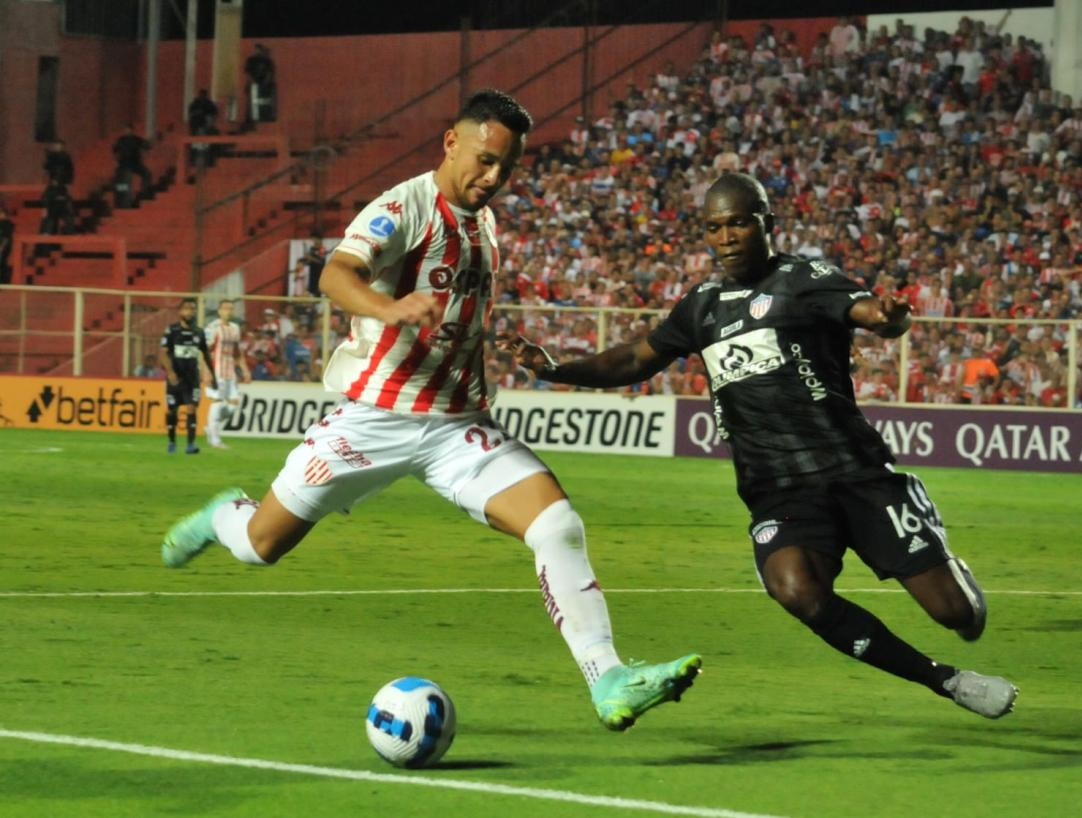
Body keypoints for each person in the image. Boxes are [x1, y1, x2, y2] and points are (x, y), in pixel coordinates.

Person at [160, 89, 701, 731]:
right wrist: (388, 309)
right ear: (451, 142)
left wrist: (514, 350)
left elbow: (457, 313)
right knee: (260, 546)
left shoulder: (484, 221)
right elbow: (336, 274)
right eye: (484, 159)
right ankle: (226, 513)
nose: (494, 177)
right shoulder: (404, 206)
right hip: (374, 420)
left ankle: (609, 679)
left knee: (556, 524)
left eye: (507, 167)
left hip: (457, 425)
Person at [504, 172, 1018, 720]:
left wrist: (888, 319)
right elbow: (634, 359)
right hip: (778, 490)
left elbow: (867, 310)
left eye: (738, 223)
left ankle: (943, 562)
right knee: (797, 591)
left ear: (767, 225)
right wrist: (557, 369)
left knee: (958, 616)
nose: (726, 237)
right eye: (714, 227)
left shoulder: (804, 279)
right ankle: (947, 682)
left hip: (856, 472)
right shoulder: (701, 307)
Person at [161, 297, 216, 454]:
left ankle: (190, 445)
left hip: (192, 378)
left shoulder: (199, 332)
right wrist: (170, 372)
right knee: (172, 410)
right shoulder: (172, 330)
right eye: (187, 308)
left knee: (192, 408)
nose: (190, 312)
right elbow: (163, 354)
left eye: (192, 309)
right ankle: (172, 442)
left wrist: (213, 375)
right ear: (180, 311)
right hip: (175, 378)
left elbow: (206, 354)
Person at [204, 299, 251, 448]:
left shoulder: (235, 328)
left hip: (230, 371)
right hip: (216, 370)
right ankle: (215, 440)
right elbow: (205, 351)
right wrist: (206, 372)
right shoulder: (212, 327)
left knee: (233, 405)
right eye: (225, 309)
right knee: (218, 402)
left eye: (231, 309)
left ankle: (211, 428)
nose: (228, 311)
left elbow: (237, 352)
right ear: (219, 311)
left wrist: (245, 369)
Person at [113, 125, 152, 206]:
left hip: (135, 163)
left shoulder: (136, 139)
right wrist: (116, 159)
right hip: (124, 165)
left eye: (128, 130)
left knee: (147, 174)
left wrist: (147, 145)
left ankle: (143, 192)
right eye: (126, 130)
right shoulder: (121, 140)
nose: (127, 131)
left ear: (132, 130)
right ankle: (123, 199)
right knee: (123, 182)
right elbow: (115, 150)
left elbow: (147, 146)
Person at [244, 44, 277, 126]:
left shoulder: (267, 61)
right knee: (252, 103)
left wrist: (265, 83)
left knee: (264, 102)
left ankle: (261, 118)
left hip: (264, 86)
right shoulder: (251, 60)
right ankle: (251, 120)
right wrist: (252, 82)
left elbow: (270, 73)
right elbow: (248, 73)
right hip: (254, 85)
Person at [0, 204, 13, 285]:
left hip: (3, 248)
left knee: (2, 263)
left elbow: (6, 237)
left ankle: (3, 282)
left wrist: (1, 247)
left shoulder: (7, 224)